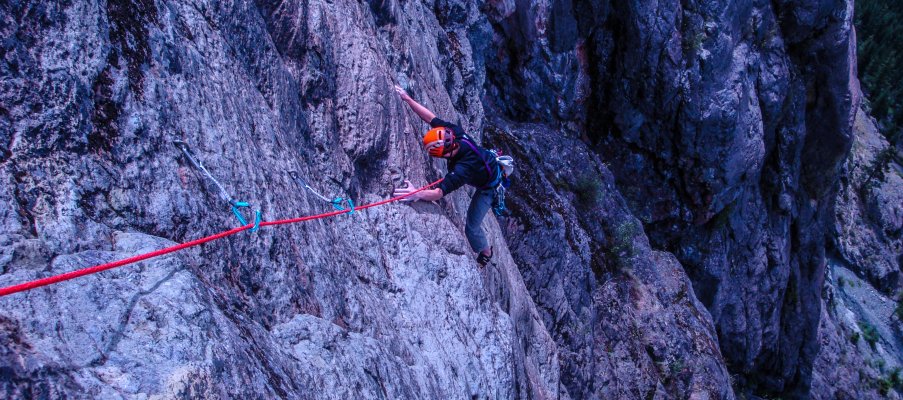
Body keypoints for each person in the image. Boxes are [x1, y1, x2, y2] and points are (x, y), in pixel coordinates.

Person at [392, 85, 501, 267]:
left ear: (446, 154)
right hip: (487, 162)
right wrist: (408, 99)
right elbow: (430, 118)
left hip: (489, 188)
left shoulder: (464, 168)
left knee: (472, 228)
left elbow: (438, 193)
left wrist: (415, 194)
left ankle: (486, 251)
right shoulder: (454, 133)